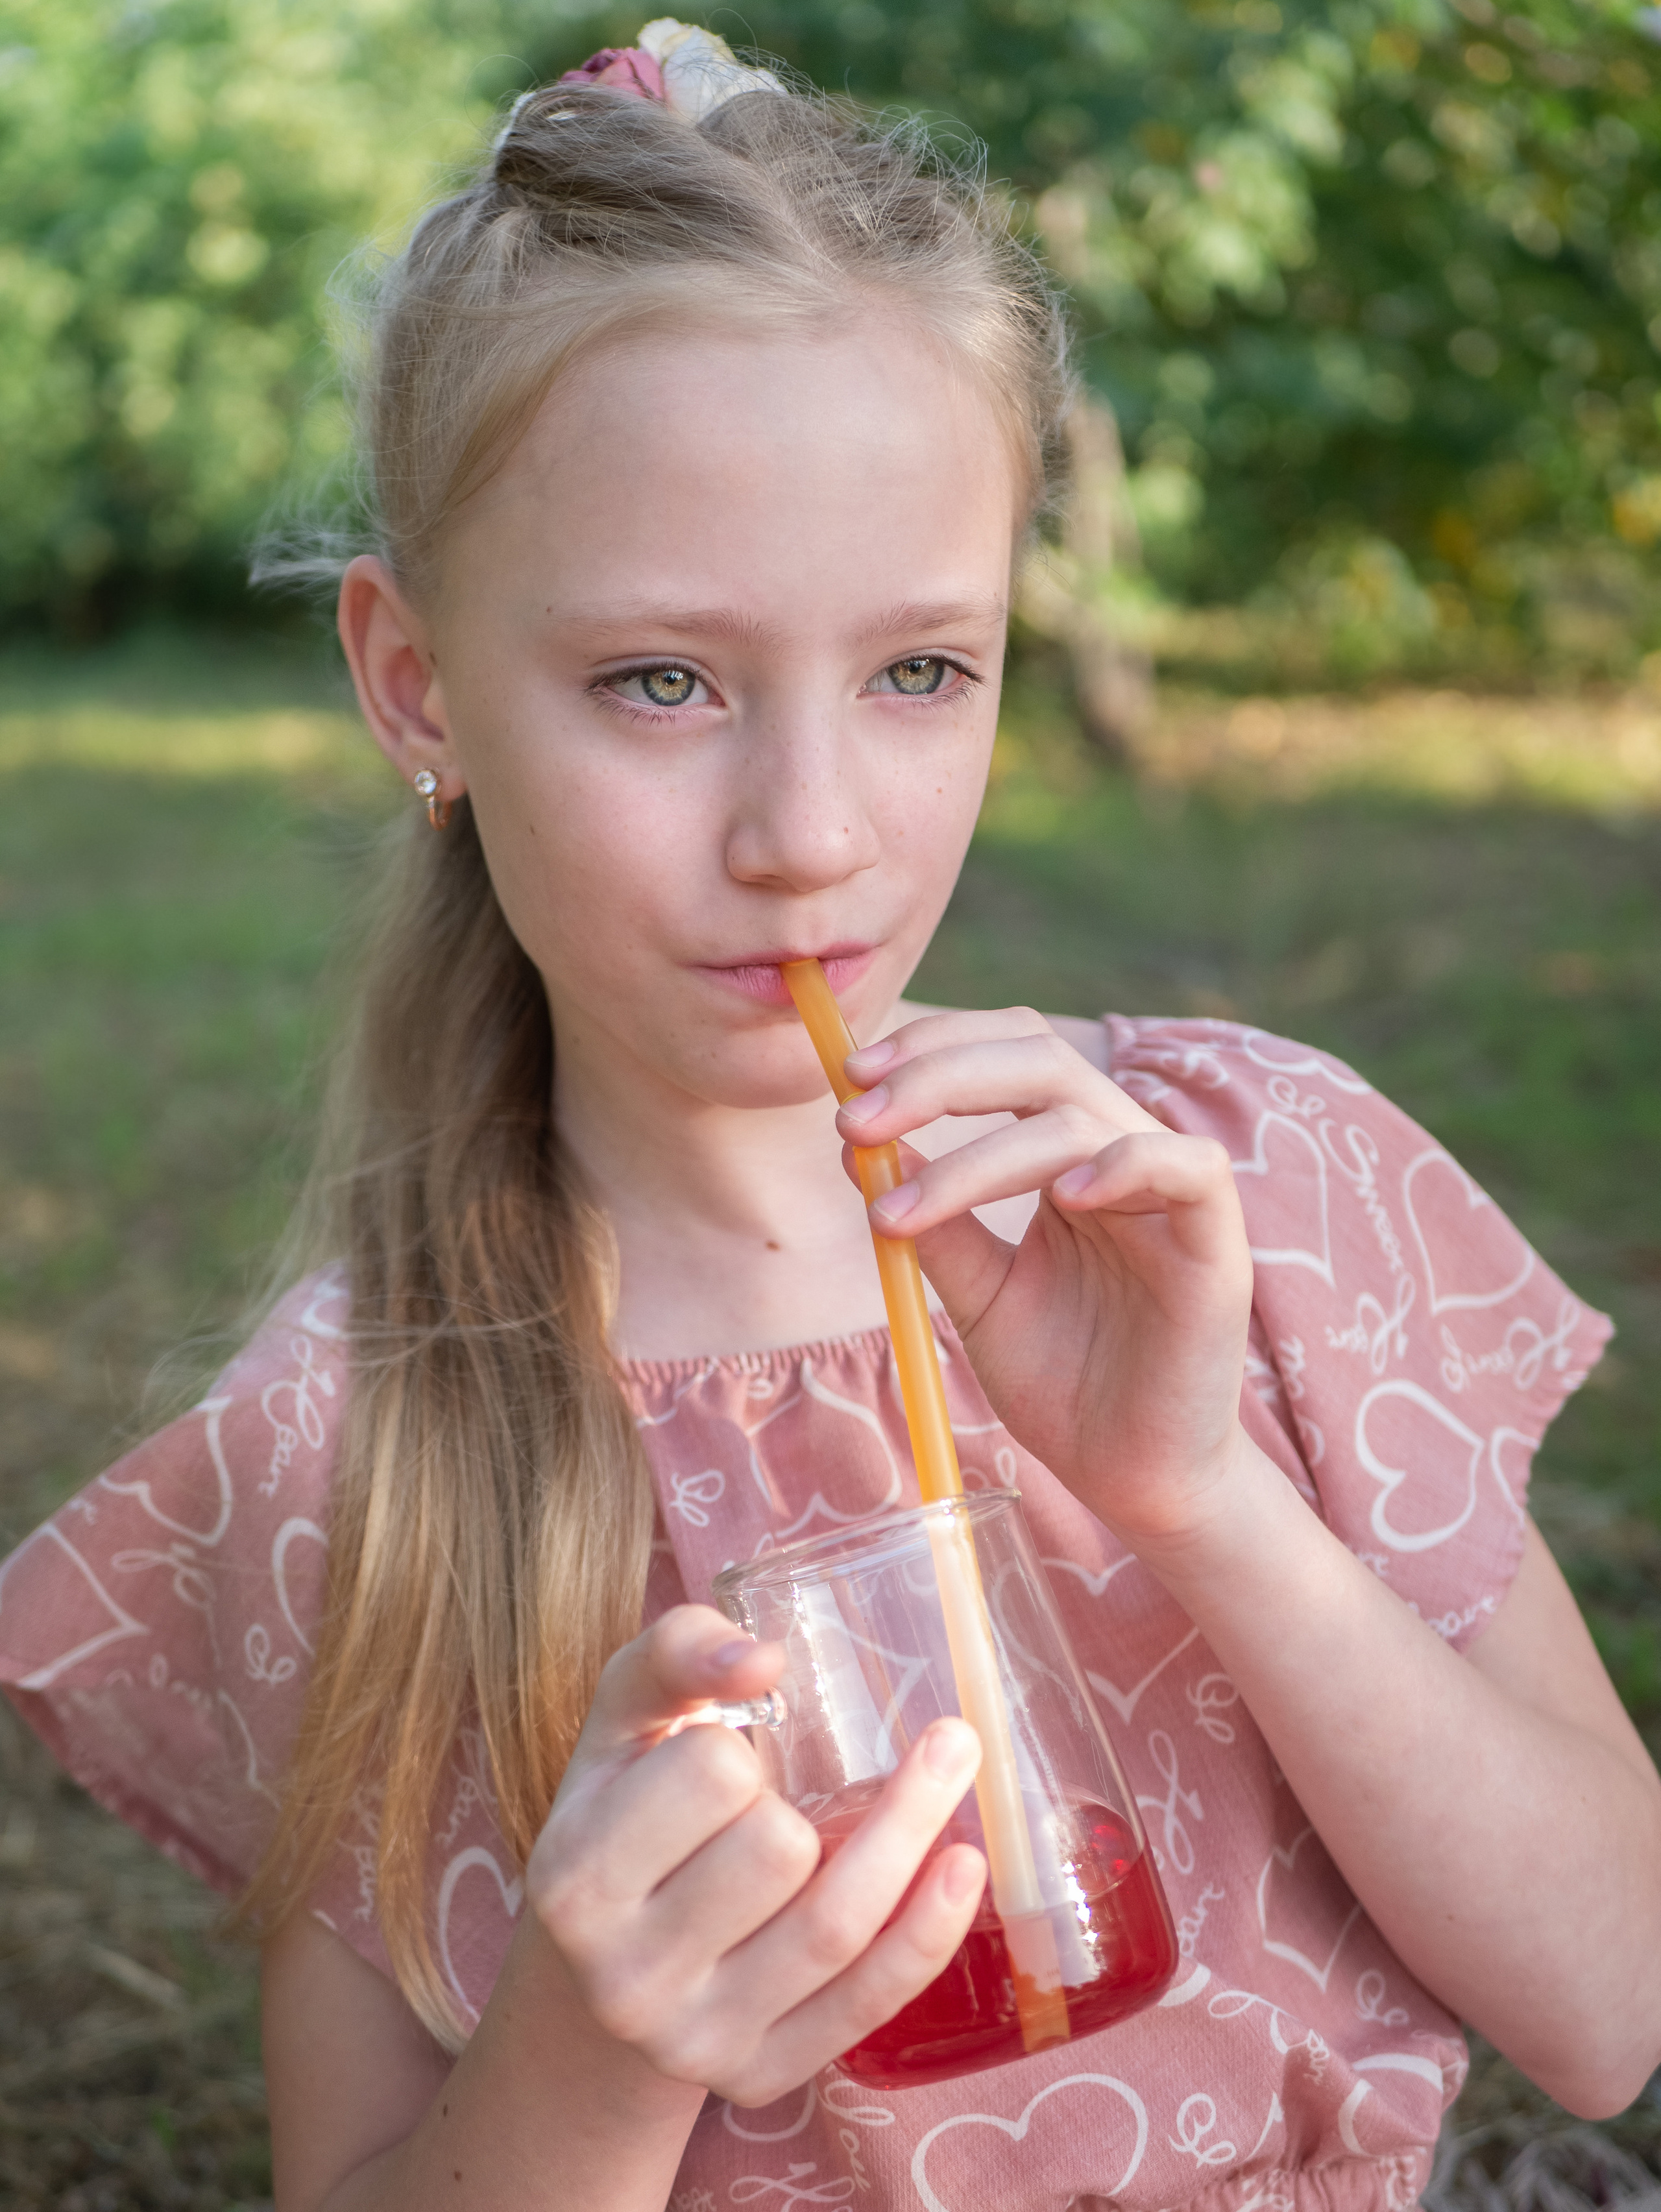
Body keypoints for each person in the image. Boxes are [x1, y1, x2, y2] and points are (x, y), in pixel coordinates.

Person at [3, 22, 1659, 2211]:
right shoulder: (357, 1439)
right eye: (661, 681)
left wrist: (1202, 1498)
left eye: (917, 672)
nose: (808, 837)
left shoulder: (1248, 1189)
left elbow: (1611, 2002)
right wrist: (591, 2060)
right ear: (418, 685)